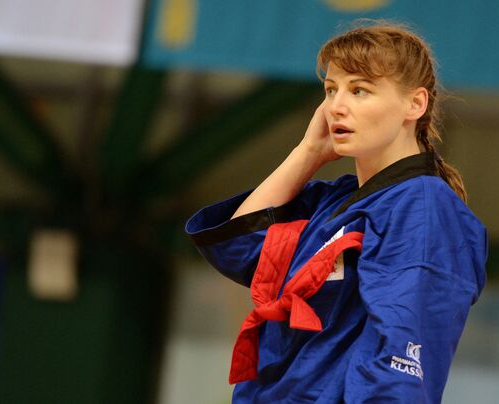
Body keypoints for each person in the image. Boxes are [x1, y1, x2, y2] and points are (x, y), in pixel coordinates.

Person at [185, 20, 487, 403]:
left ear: (415, 104)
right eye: (331, 90)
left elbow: (400, 360)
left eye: (359, 90)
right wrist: (307, 153)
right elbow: (241, 248)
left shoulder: (424, 207)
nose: (336, 107)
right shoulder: (337, 199)